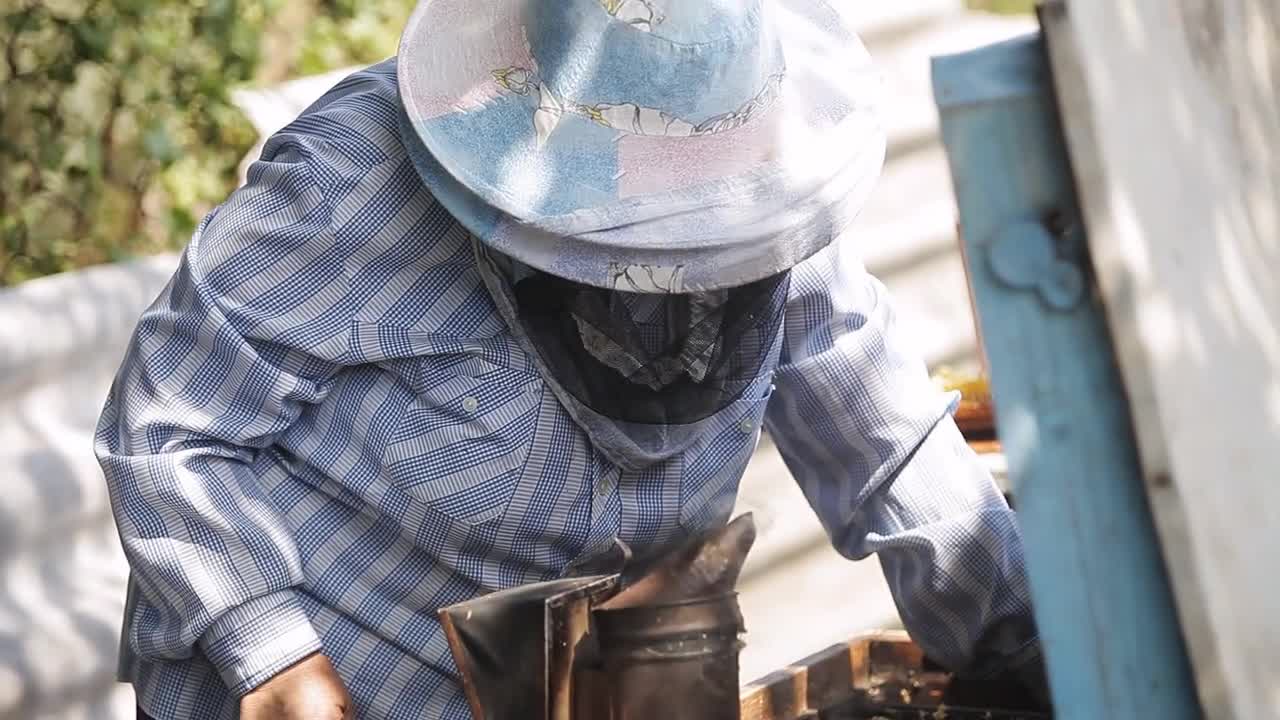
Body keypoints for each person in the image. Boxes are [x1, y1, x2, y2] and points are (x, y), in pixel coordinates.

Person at [95, 1, 1045, 718]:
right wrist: (267, 652)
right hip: (336, 678)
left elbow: (890, 449)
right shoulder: (352, 177)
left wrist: (1035, 651)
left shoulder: (763, 194)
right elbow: (170, 420)